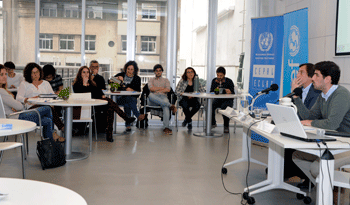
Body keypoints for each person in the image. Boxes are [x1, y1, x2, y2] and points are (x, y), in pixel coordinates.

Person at [291, 61, 350, 188]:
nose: (312, 78)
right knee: (297, 155)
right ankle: (324, 189)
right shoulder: (323, 95)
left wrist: (311, 123)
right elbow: (309, 116)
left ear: (327, 79)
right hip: (332, 142)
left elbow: (332, 124)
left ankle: (326, 191)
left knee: (316, 168)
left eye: (316, 75)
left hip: (346, 145)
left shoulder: (341, 94)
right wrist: (296, 97)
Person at [73, 66, 136, 142]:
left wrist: (101, 95)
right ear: (80, 74)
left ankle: (110, 133)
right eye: (84, 72)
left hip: (97, 104)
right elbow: (82, 95)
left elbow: (99, 92)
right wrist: (84, 83)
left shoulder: (92, 83)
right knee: (110, 103)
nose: (86, 74)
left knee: (110, 107)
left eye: (87, 72)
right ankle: (125, 117)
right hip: (87, 107)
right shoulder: (76, 84)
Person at [0, 64, 62, 141]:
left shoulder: (45, 83)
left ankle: (49, 144)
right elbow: (20, 106)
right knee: (47, 108)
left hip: (13, 115)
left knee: (48, 120)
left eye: (5, 74)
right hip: (15, 116)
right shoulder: (2, 91)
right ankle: (57, 133)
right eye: (1, 74)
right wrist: (26, 100)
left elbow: (14, 105)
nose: (5, 76)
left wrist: (14, 105)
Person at [284, 63, 321, 188]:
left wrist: (295, 94)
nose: (297, 75)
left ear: (311, 77)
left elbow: (308, 116)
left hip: (311, 129)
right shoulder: (301, 90)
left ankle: (304, 176)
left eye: (301, 72)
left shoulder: (316, 92)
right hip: (299, 126)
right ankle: (287, 170)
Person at [16, 62, 65, 136]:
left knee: (48, 118)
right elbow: (18, 97)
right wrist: (29, 99)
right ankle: (61, 127)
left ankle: (48, 141)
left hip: (46, 108)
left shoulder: (46, 83)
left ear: (40, 72)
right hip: (32, 109)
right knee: (48, 108)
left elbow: (52, 95)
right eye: (33, 72)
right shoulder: (24, 83)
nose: (35, 74)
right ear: (29, 74)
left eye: (37, 72)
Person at [112, 61, 145, 132]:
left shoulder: (137, 78)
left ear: (134, 70)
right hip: (120, 98)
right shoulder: (121, 74)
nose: (129, 71)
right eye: (128, 69)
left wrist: (130, 89)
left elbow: (138, 91)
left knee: (128, 101)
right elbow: (110, 81)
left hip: (131, 98)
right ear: (125, 69)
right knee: (128, 100)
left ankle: (128, 124)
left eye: (131, 69)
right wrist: (117, 78)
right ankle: (137, 116)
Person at [148, 64, 177, 135]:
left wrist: (156, 89)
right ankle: (170, 105)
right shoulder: (151, 80)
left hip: (163, 97)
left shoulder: (166, 80)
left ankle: (166, 127)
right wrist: (161, 89)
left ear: (162, 72)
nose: (158, 72)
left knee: (165, 107)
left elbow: (168, 89)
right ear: (154, 72)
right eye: (156, 71)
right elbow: (151, 89)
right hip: (153, 99)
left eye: (160, 71)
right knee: (150, 95)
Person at [210, 66, 235, 133]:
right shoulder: (214, 81)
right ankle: (213, 123)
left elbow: (233, 93)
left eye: (221, 75)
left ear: (224, 75)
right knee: (210, 106)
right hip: (218, 99)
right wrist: (216, 88)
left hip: (227, 100)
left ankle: (226, 126)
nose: (219, 77)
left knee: (225, 108)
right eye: (218, 75)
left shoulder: (229, 81)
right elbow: (211, 92)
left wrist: (230, 92)